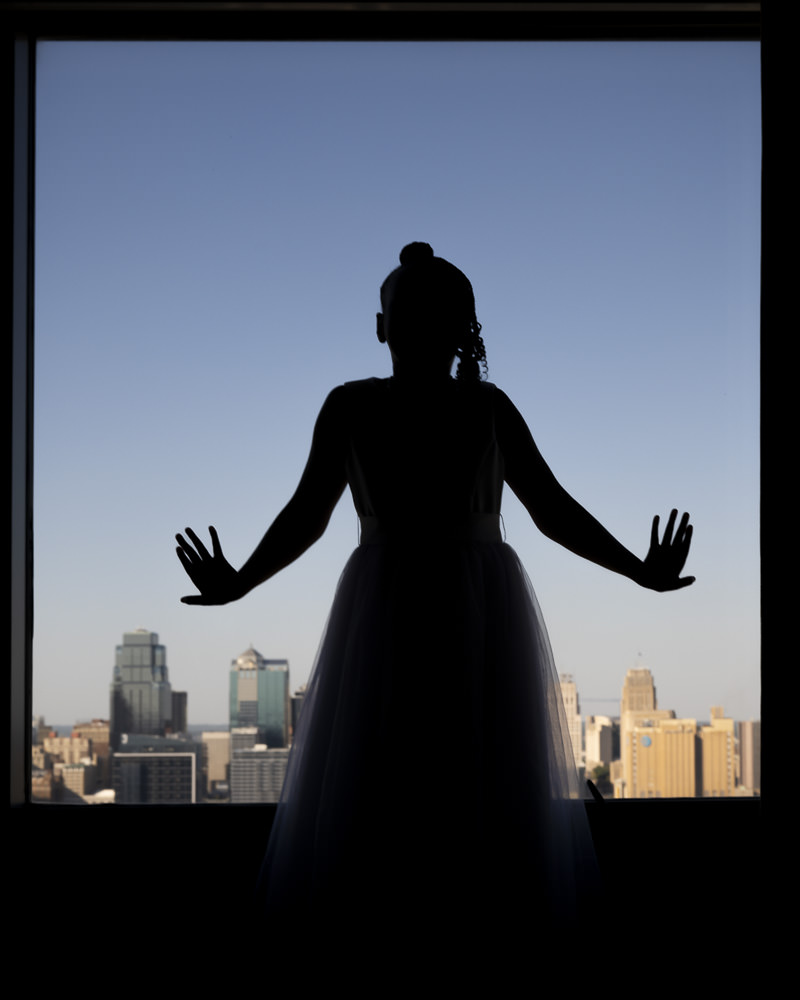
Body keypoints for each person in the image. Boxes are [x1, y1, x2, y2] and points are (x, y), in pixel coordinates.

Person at [176, 242, 693, 942]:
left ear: (397, 327)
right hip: (454, 601)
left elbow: (545, 507)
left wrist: (241, 581)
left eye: (427, 313)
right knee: (456, 771)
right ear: (389, 326)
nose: (415, 328)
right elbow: (548, 509)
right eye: (408, 312)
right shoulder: (441, 407)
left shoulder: (389, 406)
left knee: (409, 771)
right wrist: (636, 567)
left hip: (402, 602)